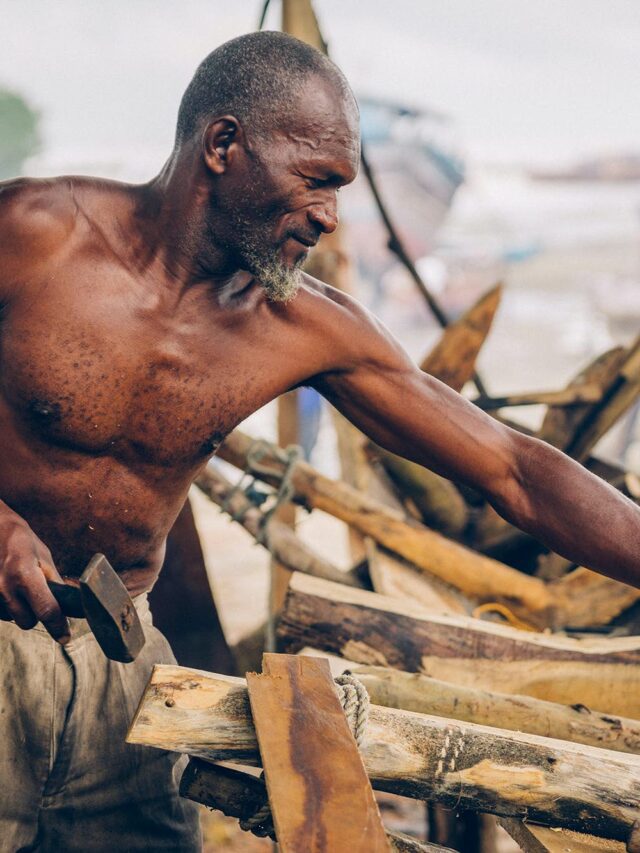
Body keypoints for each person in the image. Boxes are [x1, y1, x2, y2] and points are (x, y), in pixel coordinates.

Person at [1, 30, 639, 851]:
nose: (332, 214)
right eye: (316, 179)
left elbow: (514, 469)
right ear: (224, 145)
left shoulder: (307, 328)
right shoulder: (35, 237)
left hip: (123, 671)